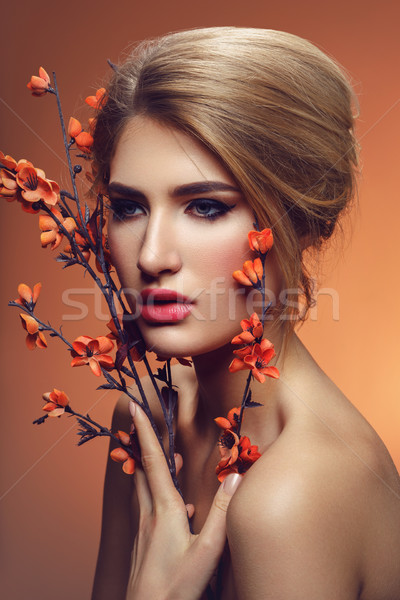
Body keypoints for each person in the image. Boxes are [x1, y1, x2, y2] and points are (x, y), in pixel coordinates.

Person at [90, 27, 400, 599]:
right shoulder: (144, 424)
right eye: (128, 207)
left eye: (205, 207)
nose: (152, 255)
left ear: (302, 218)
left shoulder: (290, 497)